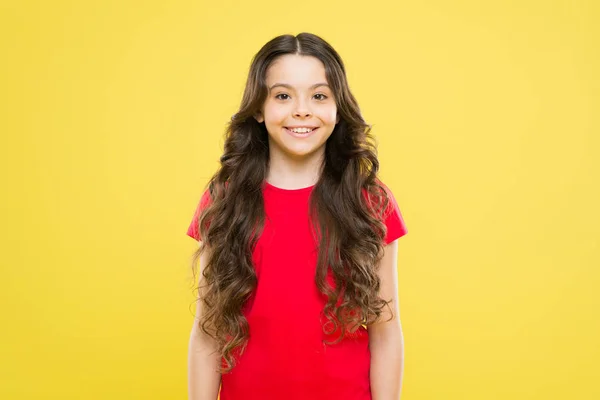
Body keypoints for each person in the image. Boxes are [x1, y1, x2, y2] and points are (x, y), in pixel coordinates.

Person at [186, 32, 408, 400]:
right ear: (259, 108)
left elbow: (386, 332)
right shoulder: (224, 199)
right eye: (283, 96)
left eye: (319, 96)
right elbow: (207, 332)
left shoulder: (370, 200)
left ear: (338, 109)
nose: (301, 110)